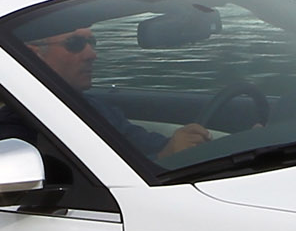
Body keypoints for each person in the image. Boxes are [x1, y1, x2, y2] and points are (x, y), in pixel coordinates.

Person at [13, 9, 210, 158]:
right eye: (74, 44)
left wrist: (180, 144)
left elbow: (143, 144)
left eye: (93, 43)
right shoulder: (19, 129)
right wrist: (164, 157)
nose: (92, 54)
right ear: (34, 54)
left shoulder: (94, 108)